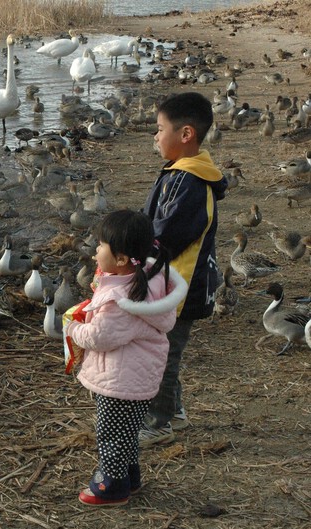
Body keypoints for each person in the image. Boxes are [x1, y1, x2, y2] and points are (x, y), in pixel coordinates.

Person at [66, 210, 187, 505]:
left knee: (110, 433)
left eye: (101, 245)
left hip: (121, 380)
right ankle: (130, 476)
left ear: (121, 259)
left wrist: (73, 327)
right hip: (137, 377)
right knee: (127, 431)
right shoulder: (147, 282)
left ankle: (112, 485)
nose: (96, 250)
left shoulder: (124, 300)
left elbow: (100, 337)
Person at [140, 92, 228, 446]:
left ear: (186, 134)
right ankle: (174, 413)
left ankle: (159, 423)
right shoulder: (190, 174)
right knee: (166, 350)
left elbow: (166, 236)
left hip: (177, 287)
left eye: (160, 129)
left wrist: (135, 262)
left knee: (161, 355)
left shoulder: (186, 181)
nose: (156, 137)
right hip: (183, 283)